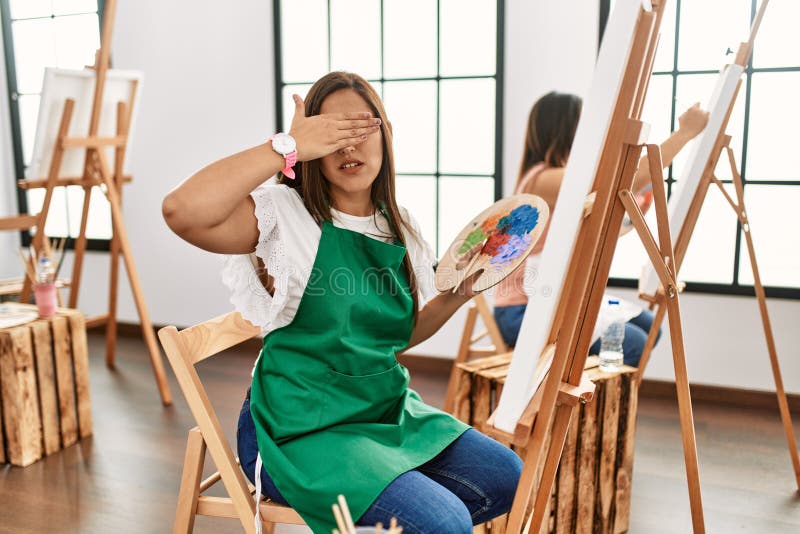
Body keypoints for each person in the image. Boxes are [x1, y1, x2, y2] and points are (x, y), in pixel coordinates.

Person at [162, 71, 522, 534]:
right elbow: (181, 210)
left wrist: (455, 296)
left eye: (359, 129)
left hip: (379, 411)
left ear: (385, 134)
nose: (348, 147)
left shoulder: (400, 223)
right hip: (297, 431)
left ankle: (391, 504)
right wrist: (284, 145)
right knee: (444, 521)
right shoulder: (286, 215)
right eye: (331, 135)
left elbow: (394, 337)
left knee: (505, 476)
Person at [493, 91, 709, 366]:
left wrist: (633, 215)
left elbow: (591, 234)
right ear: (567, 131)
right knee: (634, 343)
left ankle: (575, 395)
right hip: (522, 311)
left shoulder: (561, 182)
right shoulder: (543, 179)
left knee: (649, 327)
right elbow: (621, 178)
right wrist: (685, 133)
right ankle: (571, 404)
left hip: (551, 300)